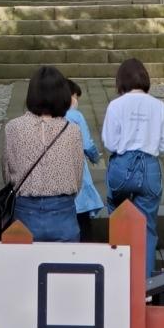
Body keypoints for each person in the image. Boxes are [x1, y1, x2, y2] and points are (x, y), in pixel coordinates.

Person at [101, 58, 164, 274]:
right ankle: (145, 282)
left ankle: (118, 273)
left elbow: (110, 143)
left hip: (122, 165)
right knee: (147, 226)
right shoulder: (159, 106)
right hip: (149, 166)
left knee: (117, 216)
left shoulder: (115, 105)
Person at [3, 66, 84, 241]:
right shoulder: (72, 130)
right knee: (65, 258)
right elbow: (78, 175)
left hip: (24, 210)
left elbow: (8, 172)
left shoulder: (13, 128)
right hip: (63, 210)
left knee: (25, 258)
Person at [65, 79, 103, 240]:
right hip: (77, 173)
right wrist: (96, 157)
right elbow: (87, 144)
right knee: (83, 221)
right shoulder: (75, 116)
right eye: (75, 97)